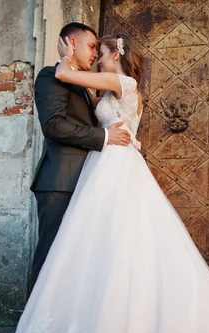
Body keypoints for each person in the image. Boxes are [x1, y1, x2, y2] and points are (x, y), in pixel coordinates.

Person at [9, 31, 209, 333]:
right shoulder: (113, 88)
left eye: (100, 52)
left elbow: (66, 76)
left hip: (113, 169)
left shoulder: (121, 81)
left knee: (116, 250)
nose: (97, 58)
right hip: (105, 166)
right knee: (101, 252)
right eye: (92, 50)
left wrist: (66, 56)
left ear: (114, 56)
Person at [29, 22, 132, 290]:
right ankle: (34, 328)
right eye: (90, 46)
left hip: (84, 182)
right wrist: (104, 136)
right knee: (50, 255)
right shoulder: (50, 75)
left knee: (71, 261)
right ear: (71, 43)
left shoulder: (81, 85)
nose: (94, 54)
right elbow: (53, 125)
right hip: (60, 181)